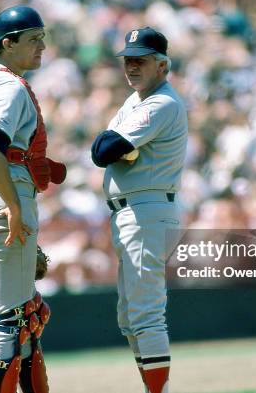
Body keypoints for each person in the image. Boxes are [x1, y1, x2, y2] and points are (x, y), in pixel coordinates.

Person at [0, 5, 65, 393]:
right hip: (0, 201)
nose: (42, 46)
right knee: (12, 321)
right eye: (33, 39)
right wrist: (15, 208)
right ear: (9, 43)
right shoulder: (9, 86)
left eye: (42, 37)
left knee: (29, 315)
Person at [91, 27, 188, 393]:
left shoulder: (162, 103)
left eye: (141, 60)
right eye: (128, 59)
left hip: (147, 210)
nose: (131, 66)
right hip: (131, 211)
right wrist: (116, 146)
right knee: (129, 317)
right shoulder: (136, 101)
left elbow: (103, 151)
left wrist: (118, 145)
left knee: (145, 313)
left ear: (162, 65)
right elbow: (103, 147)